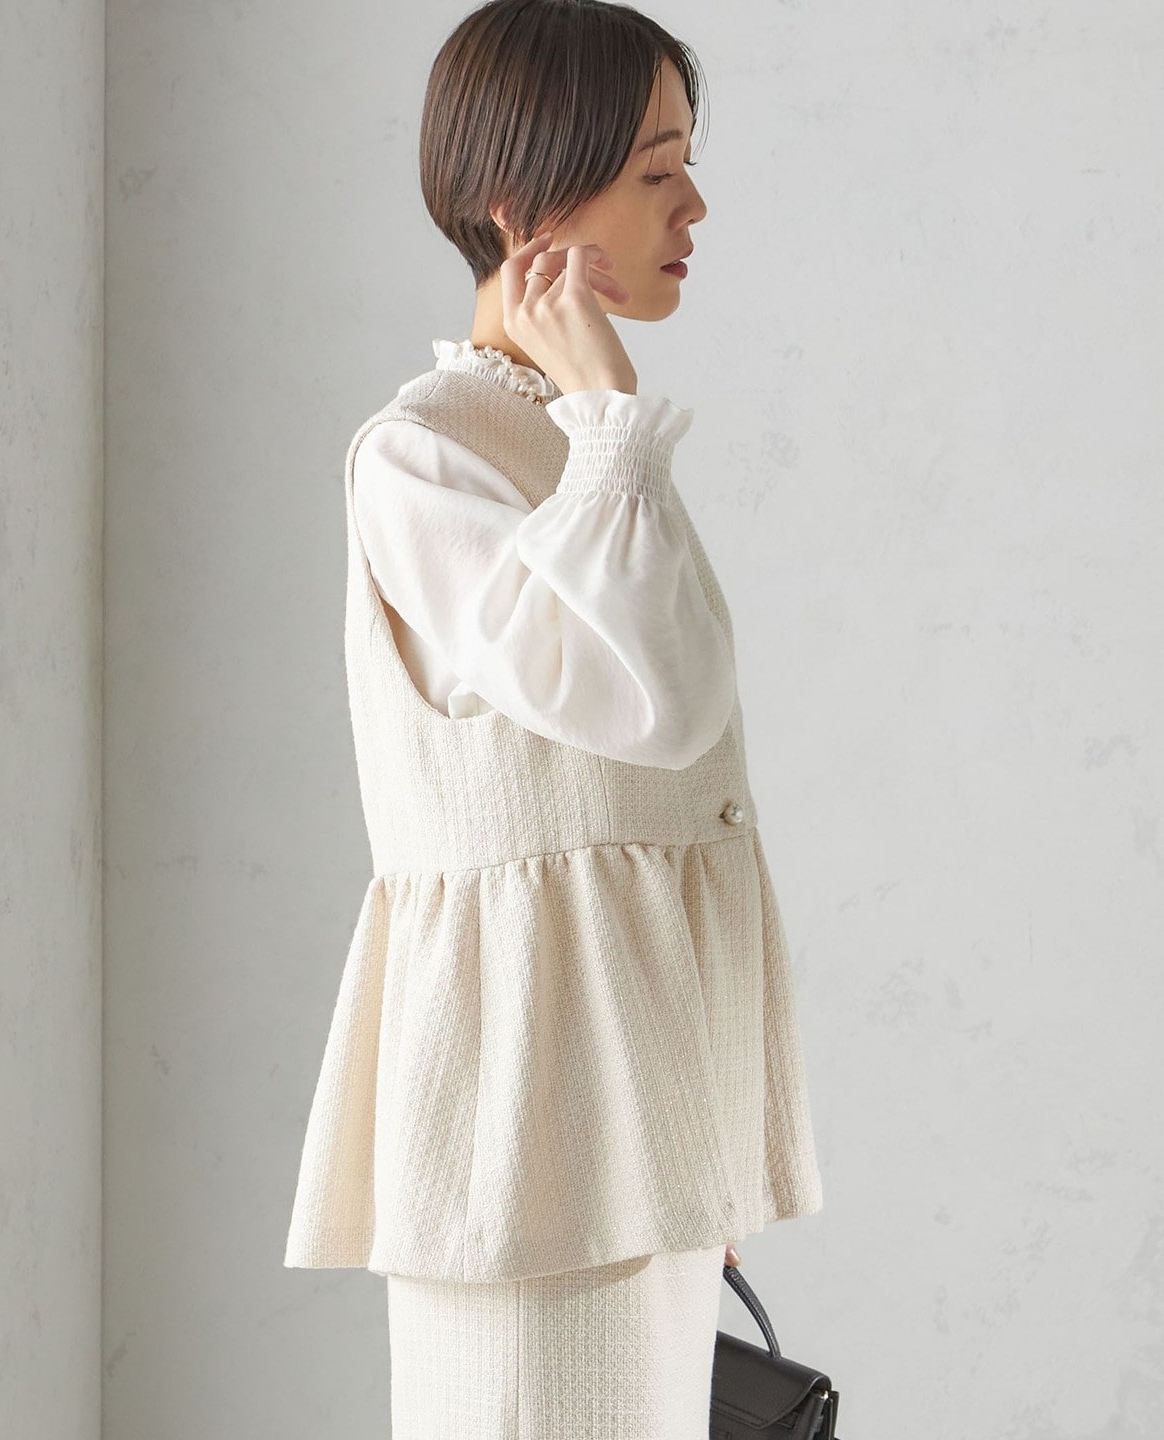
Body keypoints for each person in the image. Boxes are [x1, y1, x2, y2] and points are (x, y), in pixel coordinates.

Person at [283, 3, 824, 1435]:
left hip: (630, 1111)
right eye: (657, 171)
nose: (695, 206)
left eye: (688, 164)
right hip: (524, 1128)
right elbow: (661, 704)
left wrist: (693, 1139)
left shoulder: (575, 438)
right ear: (521, 206)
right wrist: (608, 412)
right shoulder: (426, 457)